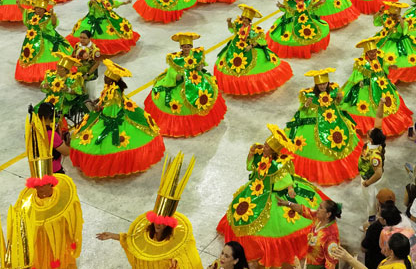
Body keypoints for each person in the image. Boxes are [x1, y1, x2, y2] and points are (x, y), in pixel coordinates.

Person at [216, 125, 326, 269]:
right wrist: (251, 153)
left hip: (270, 194)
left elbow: (286, 178)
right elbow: (250, 166)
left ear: (273, 151)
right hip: (256, 189)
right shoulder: (260, 155)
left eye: (267, 147)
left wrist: (290, 188)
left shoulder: (277, 165)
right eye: (266, 144)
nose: (264, 147)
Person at [96, 152, 201, 269]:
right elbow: (131, 240)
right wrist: (112, 236)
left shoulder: (176, 243)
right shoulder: (146, 232)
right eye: (156, 220)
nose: (158, 225)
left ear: (168, 224)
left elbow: (187, 259)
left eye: (163, 223)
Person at [69, 61, 165, 177]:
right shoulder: (111, 88)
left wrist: (99, 109)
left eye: (106, 77)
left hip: (112, 115)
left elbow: (111, 109)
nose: (104, 79)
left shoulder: (113, 92)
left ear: (111, 80)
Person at [14, 109, 83, 269]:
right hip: (55, 170)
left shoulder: (32, 133)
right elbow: (65, 151)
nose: (42, 192)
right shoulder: (52, 133)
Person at [145, 33, 226, 138]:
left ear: (191, 47)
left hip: (196, 79)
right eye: (184, 46)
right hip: (181, 83)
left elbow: (202, 63)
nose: (186, 48)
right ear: (181, 47)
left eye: (188, 46)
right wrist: (176, 76)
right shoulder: (176, 58)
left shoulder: (196, 54)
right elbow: (172, 71)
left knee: (204, 94)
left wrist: (200, 66)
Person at [340, 37, 413, 136]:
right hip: (366, 87)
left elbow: (383, 65)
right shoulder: (361, 63)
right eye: (371, 52)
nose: (373, 54)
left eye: (375, 51)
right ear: (366, 53)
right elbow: (356, 74)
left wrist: (390, 66)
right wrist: (360, 80)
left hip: (382, 84)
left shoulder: (379, 58)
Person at [66, 0, 138, 55]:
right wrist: (92, 2)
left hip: (108, 18)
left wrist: (123, 3)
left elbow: (113, 3)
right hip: (96, 19)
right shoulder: (94, 1)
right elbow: (90, 9)